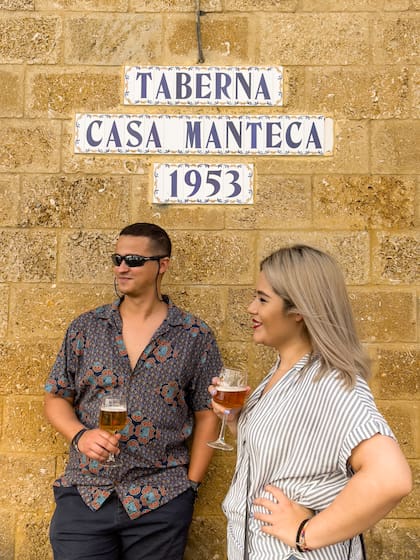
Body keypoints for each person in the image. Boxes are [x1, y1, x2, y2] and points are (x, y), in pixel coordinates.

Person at [209, 244, 412, 560]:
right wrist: (237, 420)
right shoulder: (281, 372)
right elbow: (289, 456)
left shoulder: (332, 383)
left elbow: (391, 478)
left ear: (298, 310)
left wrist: (305, 534)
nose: (251, 308)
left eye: (263, 299)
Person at [44, 222, 223, 560]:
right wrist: (80, 435)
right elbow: (56, 395)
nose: (122, 267)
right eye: (117, 258)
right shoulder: (86, 328)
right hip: (86, 494)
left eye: (134, 260)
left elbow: (206, 413)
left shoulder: (194, 334)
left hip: (162, 498)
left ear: (163, 265)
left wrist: (191, 487)